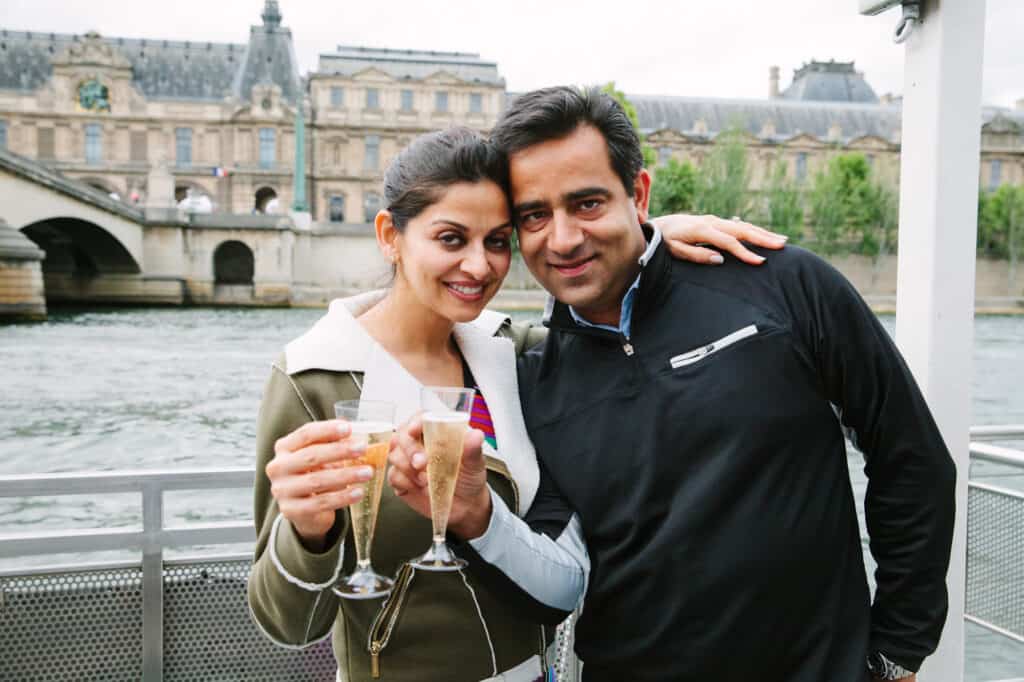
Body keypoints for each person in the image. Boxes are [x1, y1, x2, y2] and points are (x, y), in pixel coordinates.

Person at [388, 88, 956, 682]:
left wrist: (895, 656)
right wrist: (475, 515)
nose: (561, 239)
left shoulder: (782, 285)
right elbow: (556, 579)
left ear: (638, 195)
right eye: (534, 215)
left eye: (587, 203)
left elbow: (911, 459)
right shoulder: (530, 378)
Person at [247, 126, 787, 682]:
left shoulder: (515, 353)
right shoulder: (312, 377)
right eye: (452, 239)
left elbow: (612, 338)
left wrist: (643, 238)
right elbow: (291, 627)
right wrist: (309, 535)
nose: (480, 267)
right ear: (390, 235)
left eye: (498, 241)